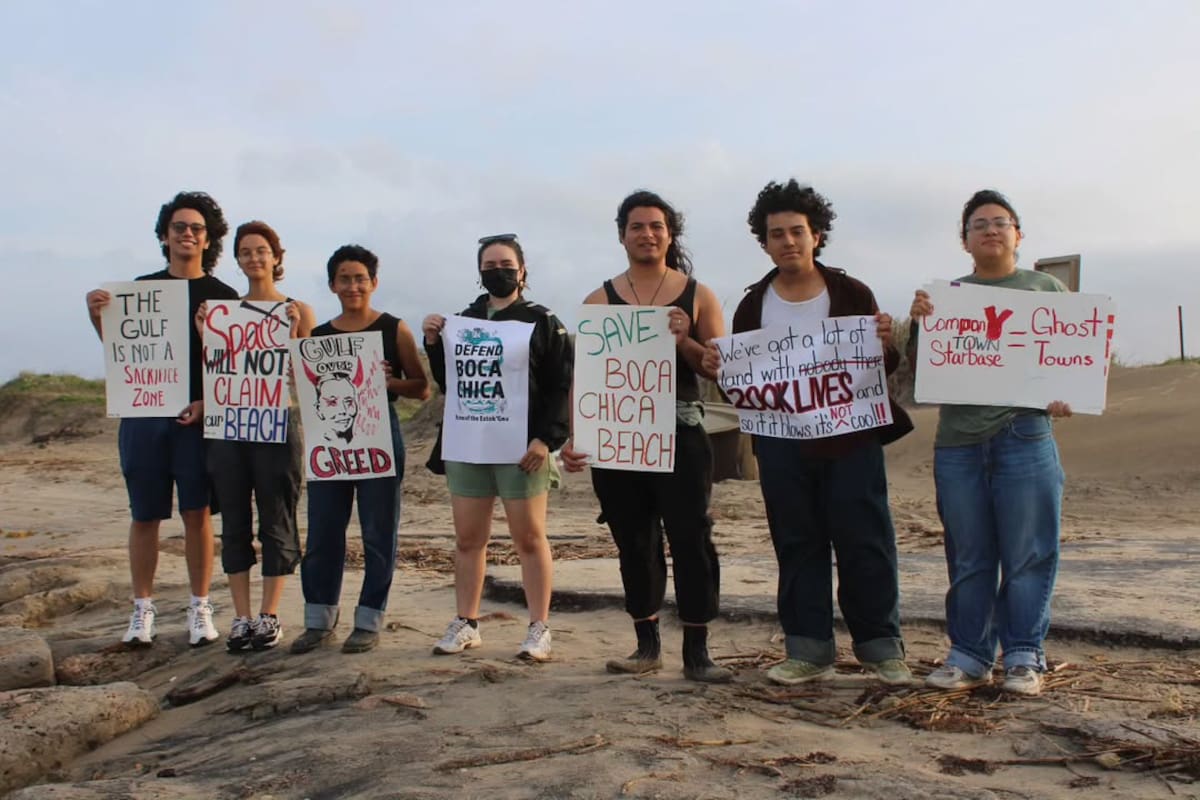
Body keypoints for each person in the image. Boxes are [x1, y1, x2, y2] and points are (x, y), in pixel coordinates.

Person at [732, 180, 914, 686]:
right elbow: (744, 381)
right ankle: (808, 650)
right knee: (797, 543)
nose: (787, 241)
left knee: (866, 540)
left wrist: (884, 343)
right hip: (782, 446)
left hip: (851, 440)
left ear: (817, 235)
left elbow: (881, 366)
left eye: (797, 231)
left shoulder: (852, 292)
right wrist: (718, 365)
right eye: (776, 234)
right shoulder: (752, 306)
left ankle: (881, 648)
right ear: (764, 242)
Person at [561, 190, 731, 683]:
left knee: (691, 537)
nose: (647, 234)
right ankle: (646, 644)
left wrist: (685, 339)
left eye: (657, 226)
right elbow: (585, 378)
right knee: (633, 541)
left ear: (669, 234)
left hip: (681, 434)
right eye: (637, 226)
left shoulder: (698, 294)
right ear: (622, 235)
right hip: (619, 438)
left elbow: (717, 367)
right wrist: (577, 436)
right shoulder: (599, 301)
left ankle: (698, 650)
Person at [908, 189, 1071, 697]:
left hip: (1025, 435)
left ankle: (1023, 656)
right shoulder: (947, 297)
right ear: (965, 241)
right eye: (979, 224)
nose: (991, 230)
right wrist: (919, 326)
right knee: (970, 555)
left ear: (1018, 234)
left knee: (1028, 552)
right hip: (959, 443)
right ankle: (970, 655)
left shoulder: (1046, 290)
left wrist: (1066, 395)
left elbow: (1077, 358)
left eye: (1001, 222)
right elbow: (922, 373)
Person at [85, 191, 239, 647]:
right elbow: (124, 355)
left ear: (208, 239)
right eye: (179, 227)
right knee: (145, 516)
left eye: (196, 228)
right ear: (165, 235)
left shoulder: (222, 296)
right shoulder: (140, 289)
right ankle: (142, 611)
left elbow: (233, 365)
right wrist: (97, 317)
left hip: (196, 419)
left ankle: (199, 607)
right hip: (143, 418)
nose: (187, 234)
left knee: (197, 514)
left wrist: (206, 403)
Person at [422, 233, 572, 662]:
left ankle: (539, 627)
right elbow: (451, 382)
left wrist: (548, 439)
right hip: (469, 444)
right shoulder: (464, 320)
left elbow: (560, 384)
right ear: (479, 272)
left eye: (505, 263)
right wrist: (434, 342)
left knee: (529, 537)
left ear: (522, 270)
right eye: (489, 265)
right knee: (469, 538)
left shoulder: (543, 321)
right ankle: (466, 622)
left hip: (523, 449)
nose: (497, 271)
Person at [290, 245, 429, 655]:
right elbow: (306, 391)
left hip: (380, 440)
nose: (353, 286)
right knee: (322, 533)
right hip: (328, 448)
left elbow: (421, 388)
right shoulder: (319, 337)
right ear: (332, 285)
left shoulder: (393, 328)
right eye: (344, 279)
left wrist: (390, 384)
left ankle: (369, 618)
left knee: (377, 533)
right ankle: (318, 619)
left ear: (374, 283)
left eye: (360, 278)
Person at [195, 221, 316, 652]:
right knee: (234, 522)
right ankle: (241, 617)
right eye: (245, 251)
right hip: (228, 429)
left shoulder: (295, 308)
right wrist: (202, 329)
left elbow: (309, 375)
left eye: (261, 250)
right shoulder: (222, 312)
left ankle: (269, 615)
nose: (253, 258)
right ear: (238, 259)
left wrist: (299, 329)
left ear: (276, 257)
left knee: (277, 519)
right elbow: (218, 368)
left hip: (277, 426)